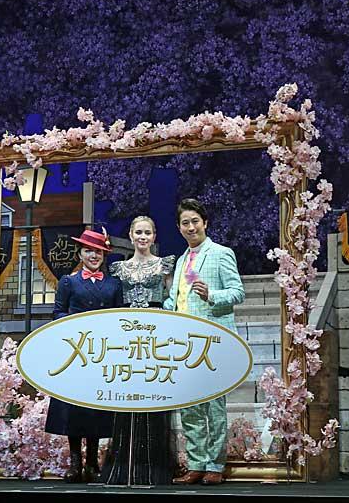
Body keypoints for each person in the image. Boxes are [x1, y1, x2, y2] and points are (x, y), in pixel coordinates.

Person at [164, 198, 244, 486]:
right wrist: (160, 310)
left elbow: (237, 292)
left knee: (214, 407)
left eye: (195, 221)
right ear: (179, 227)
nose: (190, 227)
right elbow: (175, 299)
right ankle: (196, 464)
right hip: (184, 342)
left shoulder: (221, 253)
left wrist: (212, 295)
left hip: (213, 341)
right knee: (189, 407)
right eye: (185, 223)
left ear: (205, 223)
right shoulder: (181, 260)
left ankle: (215, 465)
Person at [44, 228, 124, 483]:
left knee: (96, 407)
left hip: (101, 352)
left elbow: (119, 317)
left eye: (98, 252)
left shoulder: (113, 284)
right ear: (80, 253)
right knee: (74, 407)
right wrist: (76, 324)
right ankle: (75, 462)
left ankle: (92, 463)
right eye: (88, 251)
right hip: (75, 351)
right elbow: (58, 312)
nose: (93, 256)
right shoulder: (69, 282)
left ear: (104, 255)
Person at [101, 215, 176, 486]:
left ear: (154, 236)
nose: (143, 237)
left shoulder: (165, 265)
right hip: (127, 336)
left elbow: (173, 299)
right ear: (131, 236)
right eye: (138, 233)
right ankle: (124, 465)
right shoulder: (119, 268)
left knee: (153, 394)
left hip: (155, 335)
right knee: (128, 394)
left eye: (147, 233)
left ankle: (154, 466)